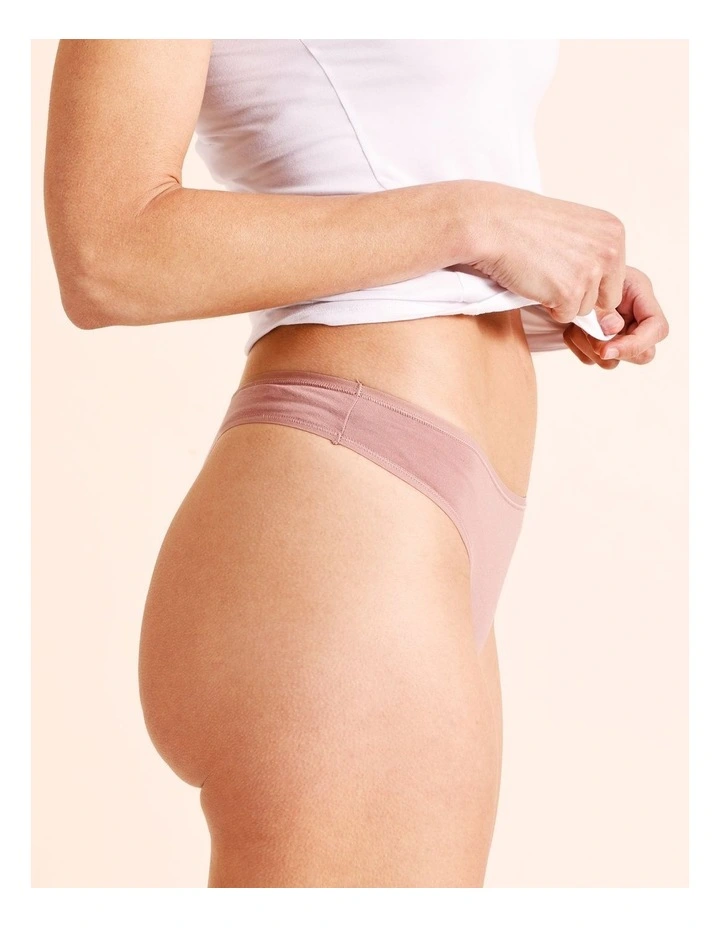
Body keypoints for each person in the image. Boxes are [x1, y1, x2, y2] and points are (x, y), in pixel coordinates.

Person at [44, 39, 669, 888]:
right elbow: (106, 251)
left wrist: (534, 279)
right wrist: (480, 220)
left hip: (414, 530)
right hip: (343, 504)